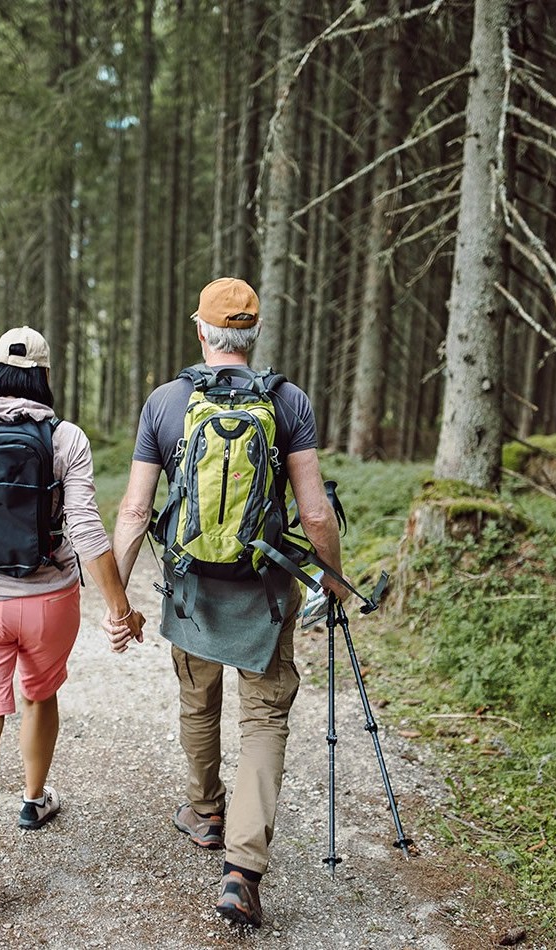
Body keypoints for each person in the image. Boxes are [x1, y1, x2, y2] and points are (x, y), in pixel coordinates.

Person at [104, 278, 352, 928]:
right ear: (254, 333)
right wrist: (332, 576)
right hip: (265, 591)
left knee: (197, 698)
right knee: (265, 719)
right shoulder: (287, 399)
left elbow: (134, 510)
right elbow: (315, 511)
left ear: (201, 332)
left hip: (191, 588)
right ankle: (242, 871)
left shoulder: (166, 401)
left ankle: (204, 810)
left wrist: (116, 598)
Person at [0, 326, 144, 913]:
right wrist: (118, 609)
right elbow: (85, 529)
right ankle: (32, 799)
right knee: (39, 693)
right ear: (45, 377)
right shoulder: (66, 437)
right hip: (49, 599)